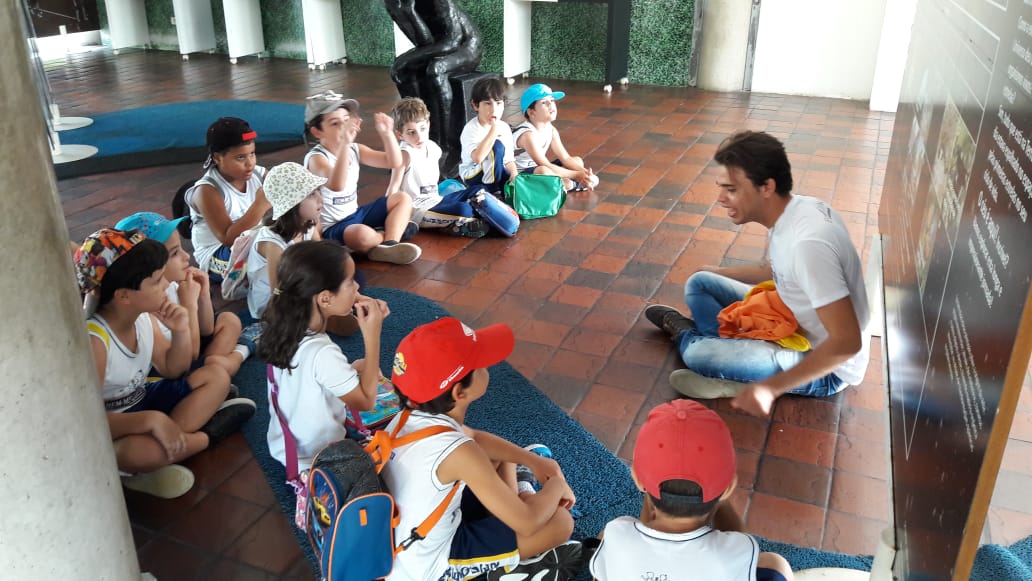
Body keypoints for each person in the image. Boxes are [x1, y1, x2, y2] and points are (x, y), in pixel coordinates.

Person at [644, 130, 870, 417]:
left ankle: (692, 339)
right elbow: (776, 268)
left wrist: (770, 389)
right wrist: (719, 271)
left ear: (766, 187)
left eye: (732, 189)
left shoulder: (809, 246)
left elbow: (847, 343)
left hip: (825, 364)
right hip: (789, 316)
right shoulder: (797, 209)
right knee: (700, 282)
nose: (721, 198)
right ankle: (730, 359)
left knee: (699, 355)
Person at [382, 317, 584, 581]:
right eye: (480, 364)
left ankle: (516, 508)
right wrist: (557, 483)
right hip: (430, 566)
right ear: (459, 392)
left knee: (500, 458)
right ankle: (505, 569)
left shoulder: (407, 417)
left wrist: (533, 460)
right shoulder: (459, 453)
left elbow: (475, 438)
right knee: (560, 523)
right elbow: (527, 522)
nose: (488, 366)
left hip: (415, 535)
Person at [75, 229, 256, 499]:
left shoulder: (142, 317)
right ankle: (208, 434)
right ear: (124, 296)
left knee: (216, 376)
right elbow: (89, 423)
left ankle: (170, 445)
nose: (165, 287)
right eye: (157, 281)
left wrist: (180, 329)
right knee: (138, 453)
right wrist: (151, 420)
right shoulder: (96, 342)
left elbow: (174, 369)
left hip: (143, 397)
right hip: (115, 426)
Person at [589, 400, 795, 581]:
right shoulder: (740, 548)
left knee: (606, 539)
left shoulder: (617, 531)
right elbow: (733, 548)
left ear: (636, 478)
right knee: (775, 563)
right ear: (729, 488)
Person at [258, 241, 390, 471]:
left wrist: (354, 369)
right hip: (320, 454)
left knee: (361, 368)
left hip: (286, 446)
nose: (357, 286)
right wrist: (373, 337)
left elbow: (309, 376)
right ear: (325, 298)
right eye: (350, 281)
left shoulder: (285, 326)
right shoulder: (323, 353)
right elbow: (366, 402)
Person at [115, 212, 256, 379]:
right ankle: (239, 352)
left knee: (229, 320)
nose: (186, 256)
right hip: (173, 365)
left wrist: (203, 295)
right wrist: (189, 303)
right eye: (174, 253)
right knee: (216, 369)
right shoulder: (146, 304)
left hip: (192, 353)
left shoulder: (173, 285)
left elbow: (207, 330)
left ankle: (213, 368)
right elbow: (192, 354)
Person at [303, 90, 422, 265]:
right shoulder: (316, 158)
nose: (343, 128)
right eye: (335, 123)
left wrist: (387, 134)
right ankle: (384, 234)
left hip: (355, 215)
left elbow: (394, 162)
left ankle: (389, 244)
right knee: (361, 235)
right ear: (317, 132)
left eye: (346, 121)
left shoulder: (355, 149)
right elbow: (337, 184)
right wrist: (345, 144)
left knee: (402, 198)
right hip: (333, 228)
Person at [387, 96, 494, 238]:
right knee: (463, 209)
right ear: (400, 134)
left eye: (422, 129)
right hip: (418, 210)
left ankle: (461, 222)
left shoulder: (433, 148)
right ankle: (459, 224)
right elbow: (392, 189)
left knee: (479, 190)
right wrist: (392, 219)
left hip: (436, 200)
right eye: (411, 132)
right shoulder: (404, 155)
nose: (419, 137)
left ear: (428, 124)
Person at [185, 117, 272, 282]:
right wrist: (260, 206)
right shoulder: (207, 190)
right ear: (217, 158)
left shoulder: (259, 174)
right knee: (269, 254)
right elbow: (228, 239)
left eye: (252, 154)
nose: (250, 163)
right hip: (217, 254)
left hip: (253, 241)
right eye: (240, 158)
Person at [244, 162, 325, 319]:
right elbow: (279, 292)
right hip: (273, 302)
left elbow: (323, 257)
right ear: (292, 204)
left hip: (299, 282)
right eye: (311, 194)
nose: (320, 199)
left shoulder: (308, 225)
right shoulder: (273, 244)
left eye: (317, 191)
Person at [513, 84, 599, 192]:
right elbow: (544, 164)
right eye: (544, 102)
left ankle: (566, 184)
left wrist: (585, 173)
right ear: (531, 112)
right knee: (544, 171)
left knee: (577, 161)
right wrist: (577, 175)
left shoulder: (551, 130)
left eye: (552, 100)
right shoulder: (527, 135)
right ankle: (571, 184)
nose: (551, 105)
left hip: (538, 169)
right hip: (520, 174)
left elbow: (565, 158)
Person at [458, 76, 517, 197]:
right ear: (475, 105)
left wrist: (514, 175)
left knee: (516, 181)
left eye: (498, 103)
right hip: (473, 175)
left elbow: (508, 160)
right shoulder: (471, 129)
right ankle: (494, 191)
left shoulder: (504, 127)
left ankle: (499, 191)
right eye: (487, 103)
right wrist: (493, 132)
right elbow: (478, 158)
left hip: (497, 172)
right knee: (496, 146)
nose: (494, 109)